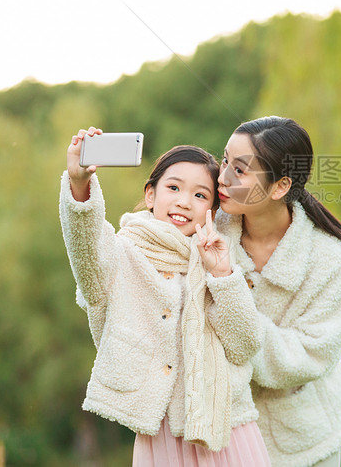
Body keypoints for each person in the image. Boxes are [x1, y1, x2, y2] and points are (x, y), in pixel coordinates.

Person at [59, 127, 271, 467]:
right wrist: (79, 183)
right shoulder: (122, 251)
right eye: (173, 188)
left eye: (201, 195)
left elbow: (245, 344)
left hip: (228, 432)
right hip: (161, 437)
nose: (185, 202)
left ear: (213, 211)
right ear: (150, 195)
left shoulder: (218, 257)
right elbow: (87, 259)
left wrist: (221, 274)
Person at [213, 116, 341, 467]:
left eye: (240, 170)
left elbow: (310, 354)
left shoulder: (328, 258)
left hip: (303, 446)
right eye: (224, 161)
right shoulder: (207, 233)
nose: (222, 177)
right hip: (220, 441)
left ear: (279, 187)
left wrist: (233, 306)